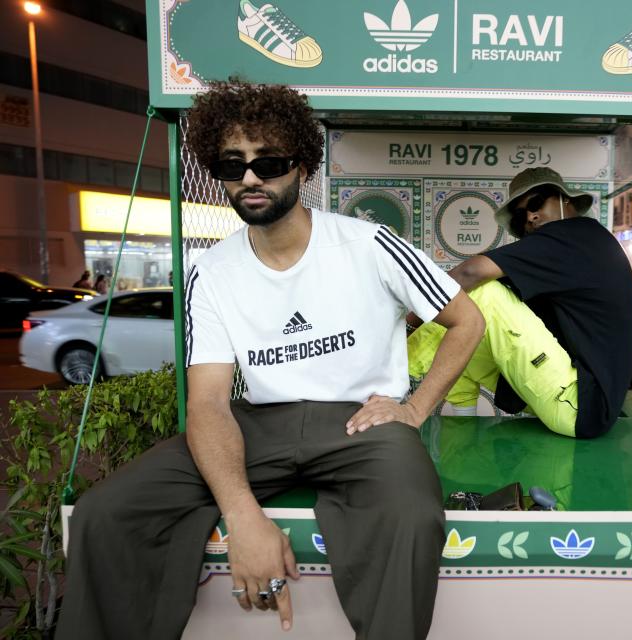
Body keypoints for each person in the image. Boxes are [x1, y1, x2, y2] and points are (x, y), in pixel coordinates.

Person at [55, 82, 485, 640]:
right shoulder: (211, 271)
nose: (251, 178)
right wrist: (241, 515)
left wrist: (416, 408)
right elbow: (209, 400)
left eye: (269, 162)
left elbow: (466, 320)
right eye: (232, 166)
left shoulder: (369, 243)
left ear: (301, 166)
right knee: (102, 515)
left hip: (362, 424)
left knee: (410, 516)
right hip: (259, 426)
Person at [406, 167, 632, 439]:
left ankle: (396, 368)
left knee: (485, 292)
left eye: (536, 203)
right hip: (581, 404)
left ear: (566, 200)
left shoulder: (575, 234)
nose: (530, 216)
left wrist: (408, 324)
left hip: (579, 404)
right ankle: (462, 433)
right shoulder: (578, 248)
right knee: (466, 340)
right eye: (521, 214)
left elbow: (472, 273)